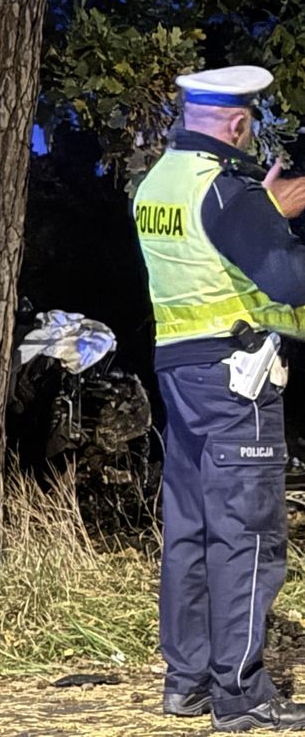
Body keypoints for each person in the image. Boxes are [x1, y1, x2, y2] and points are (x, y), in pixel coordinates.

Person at [134, 65, 305, 732]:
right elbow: (286, 280)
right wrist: (272, 218)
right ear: (237, 123)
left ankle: (190, 683)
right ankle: (242, 696)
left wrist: (259, 213)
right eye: (251, 122)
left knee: (192, 531)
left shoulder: (159, 183)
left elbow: (209, 256)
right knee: (249, 535)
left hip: (182, 372)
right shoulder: (227, 191)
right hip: (240, 381)